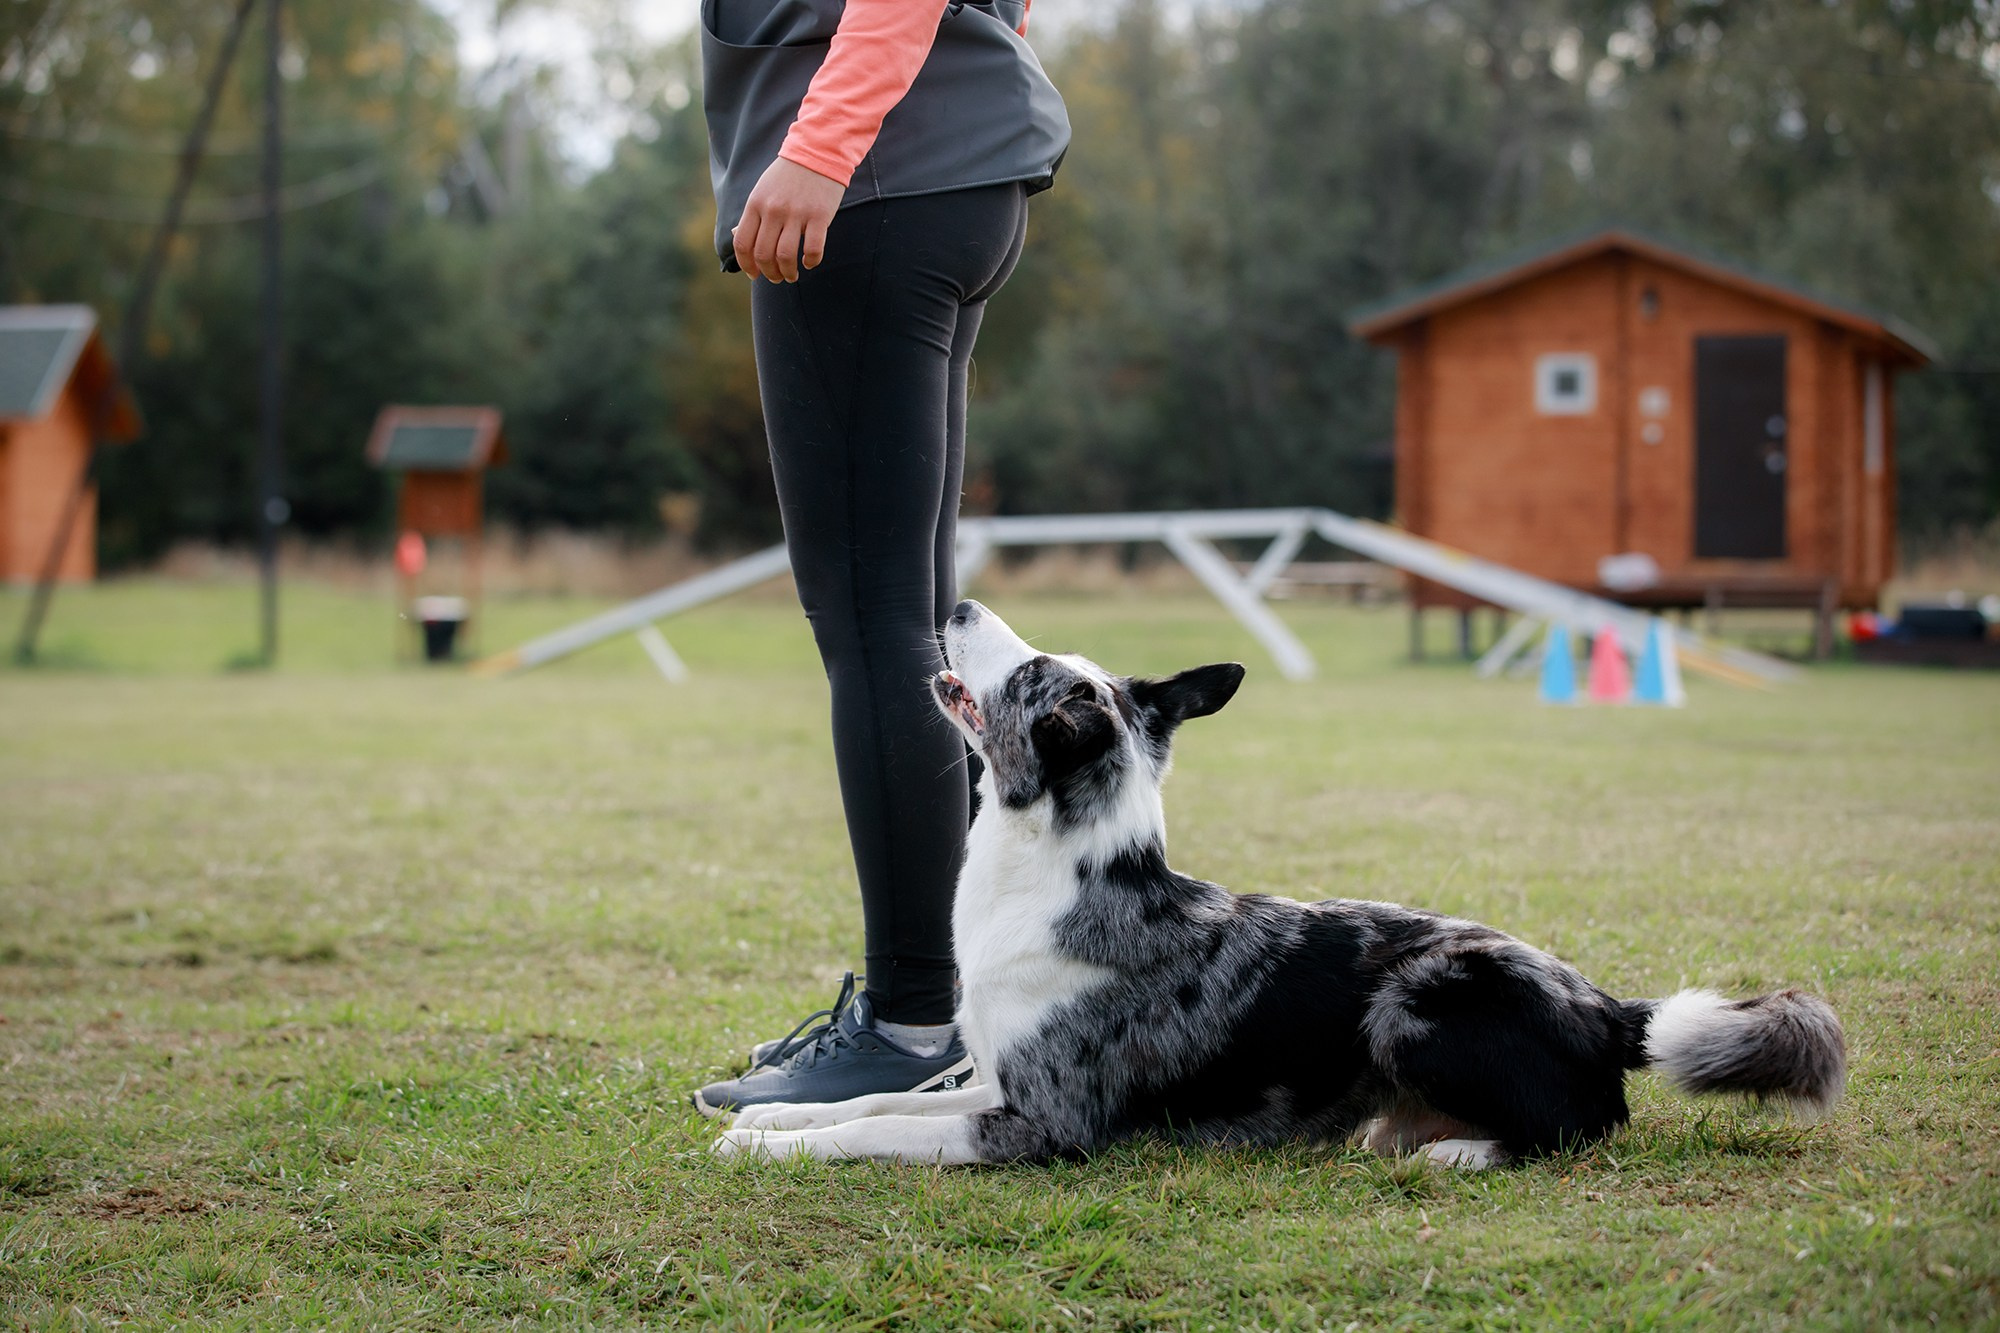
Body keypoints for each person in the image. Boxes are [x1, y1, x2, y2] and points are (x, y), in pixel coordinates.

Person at [691, 0, 1068, 1117]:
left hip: (872, 179)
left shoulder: (843, 155)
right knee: (905, 617)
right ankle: (959, 999)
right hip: (948, 170)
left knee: (873, 625)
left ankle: (913, 1023)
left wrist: (815, 149)